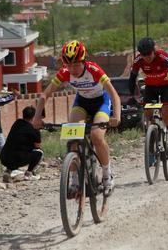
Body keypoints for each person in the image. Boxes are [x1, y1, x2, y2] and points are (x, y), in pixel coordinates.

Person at [34, 40, 121, 194]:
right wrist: (37, 117)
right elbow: (44, 95)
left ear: (83, 61)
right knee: (73, 139)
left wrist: (116, 116)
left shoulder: (94, 70)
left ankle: (107, 175)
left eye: (76, 65)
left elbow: (114, 94)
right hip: (82, 103)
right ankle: (74, 180)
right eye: (68, 65)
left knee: (96, 136)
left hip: (101, 102)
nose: (72, 69)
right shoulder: (64, 72)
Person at [130, 37, 168, 155]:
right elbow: (132, 78)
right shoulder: (138, 60)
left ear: (154, 50)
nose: (146, 57)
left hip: (166, 86)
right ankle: (151, 142)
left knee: (167, 117)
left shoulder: (162, 56)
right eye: (143, 54)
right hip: (151, 88)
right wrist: (132, 96)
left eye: (149, 54)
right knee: (148, 114)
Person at [1, 106, 43, 182]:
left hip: (4, 157)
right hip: (18, 159)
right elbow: (38, 146)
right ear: (33, 117)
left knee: (15, 150)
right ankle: (29, 174)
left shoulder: (17, 123)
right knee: (39, 152)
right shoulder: (34, 129)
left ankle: (8, 172)